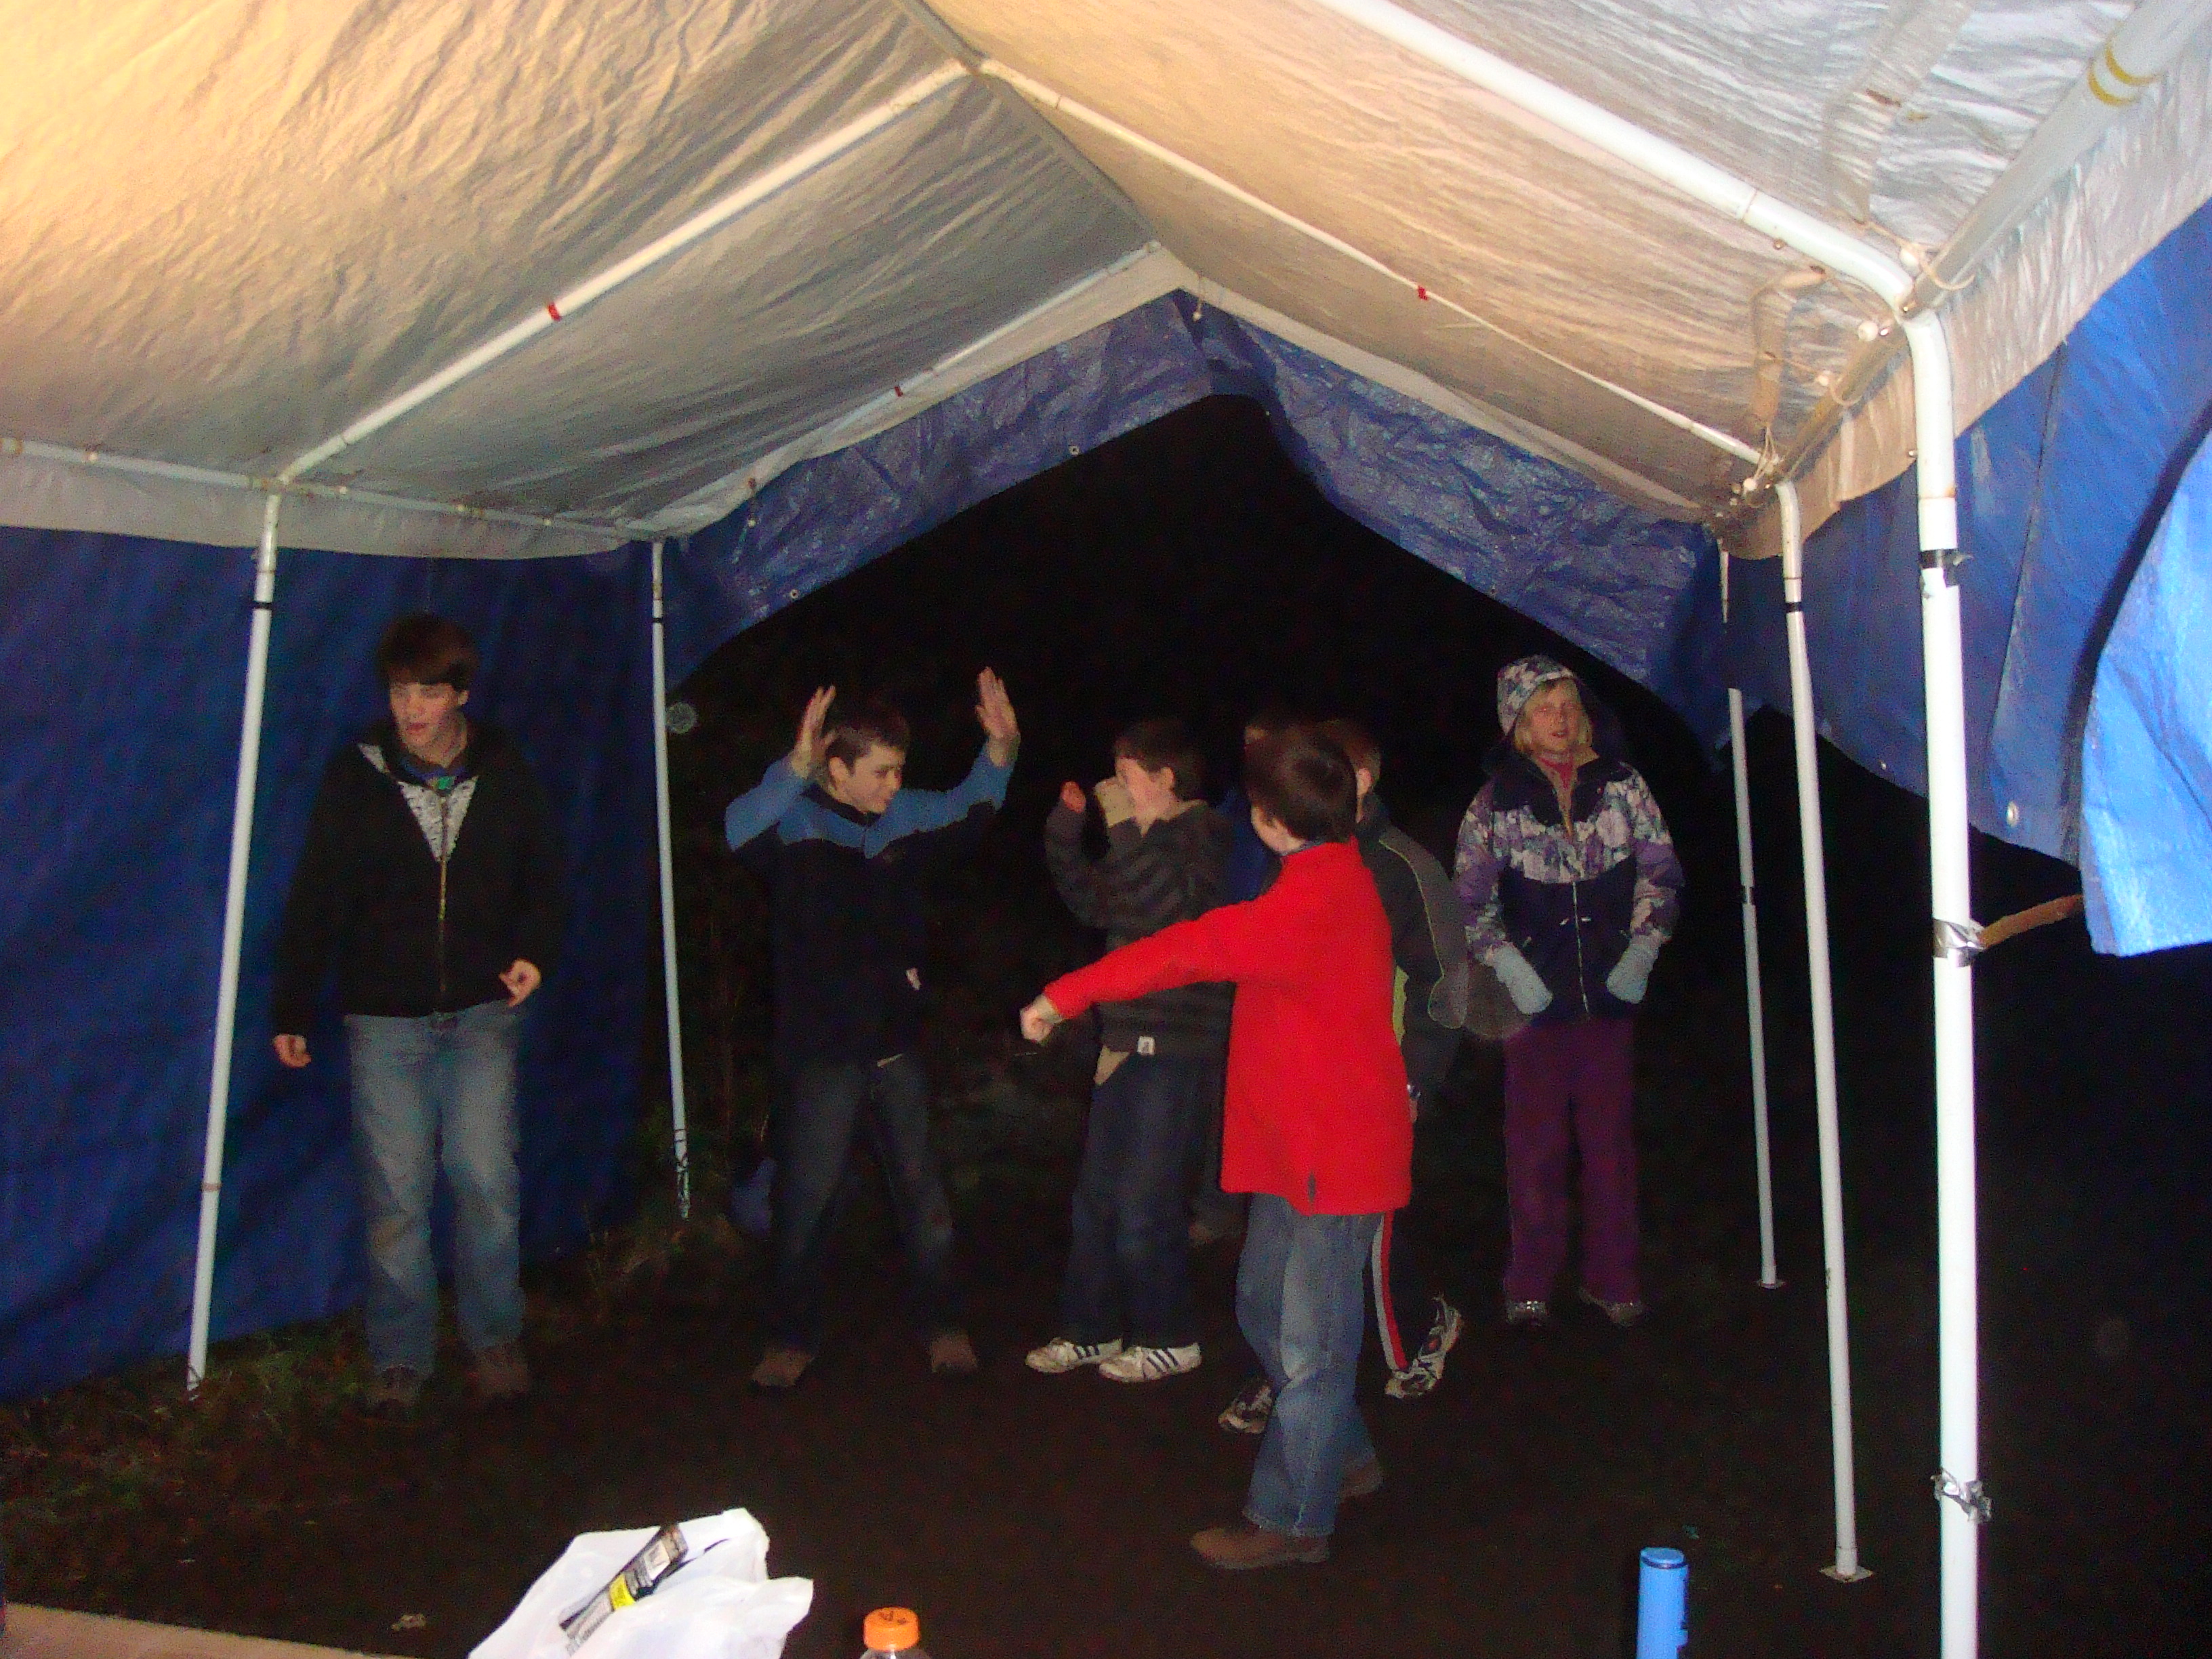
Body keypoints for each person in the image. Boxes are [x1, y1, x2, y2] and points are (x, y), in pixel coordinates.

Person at [1021, 729, 1410, 1570]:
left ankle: (1291, 1521)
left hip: (1336, 1159)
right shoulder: (1313, 879)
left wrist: (1063, 996)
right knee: (1265, 1309)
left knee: (1310, 1346)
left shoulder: (1315, 900)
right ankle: (1342, 1456)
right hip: (1295, 1152)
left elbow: (1185, 949)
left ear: (1270, 821)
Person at [272, 613, 565, 1421]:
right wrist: (292, 1004)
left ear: (460, 694)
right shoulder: (355, 776)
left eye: (429, 693)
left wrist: (534, 951)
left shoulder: (504, 769)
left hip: (481, 1015)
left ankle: (494, 1337)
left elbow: (545, 877)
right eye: (401, 691)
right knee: (397, 1196)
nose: (411, 709)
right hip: (383, 1021)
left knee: (485, 1179)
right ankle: (400, 1355)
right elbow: (315, 894)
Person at [724, 672, 1020, 1391]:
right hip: (820, 1050)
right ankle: (790, 1339)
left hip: (895, 1043)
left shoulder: (905, 816)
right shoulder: (794, 823)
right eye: (882, 772)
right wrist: (794, 766)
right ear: (837, 768)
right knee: (806, 1202)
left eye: (899, 770)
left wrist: (1002, 750)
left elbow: (971, 808)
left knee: (924, 1196)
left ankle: (944, 1327)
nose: (895, 785)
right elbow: (739, 829)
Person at [1216, 718, 1467, 1436]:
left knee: (1365, 1242)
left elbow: (1445, 982)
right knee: (1291, 1261)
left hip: (1374, 1088)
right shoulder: (1301, 856)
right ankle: (1299, 1390)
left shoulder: (1403, 866)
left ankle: (1413, 1337)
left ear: (1358, 780)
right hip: (1306, 1091)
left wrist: (1415, 1081)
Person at [1452, 656, 1681, 1328]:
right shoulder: (1494, 804)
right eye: (1543, 708)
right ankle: (1529, 1281)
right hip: (1533, 1009)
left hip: (1610, 996)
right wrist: (1510, 967)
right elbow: (1468, 901)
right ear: (1518, 723)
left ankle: (1613, 1279)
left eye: (1567, 705)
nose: (1559, 718)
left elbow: (1662, 874)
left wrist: (1644, 947)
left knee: (1610, 1147)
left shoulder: (1623, 787)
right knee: (1535, 1149)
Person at [1028, 718, 1232, 1385]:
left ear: (1165, 779)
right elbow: (1097, 905)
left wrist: (1120, 827)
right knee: (1096, 1201)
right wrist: (1065, 836)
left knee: (1147, 1203)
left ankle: (1171, 1335)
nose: (1112, 789)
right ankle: (1090, 1330)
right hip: (1122, 1043)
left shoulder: (1204, 835)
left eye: (1125, 777)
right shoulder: (1141, 844)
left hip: (1174, 1046)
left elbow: (1167, 909)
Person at [1190, 703, 1296, 1248]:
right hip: (1227, 965)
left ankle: (1271, 1205)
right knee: (1222, 1088)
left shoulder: (1305, 810)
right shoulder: (1233, 808)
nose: (1254, 754)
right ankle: (1219, 1205)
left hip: (1280, 971)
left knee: (1274, 1091)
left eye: (1266, 744)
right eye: (1249, 744)